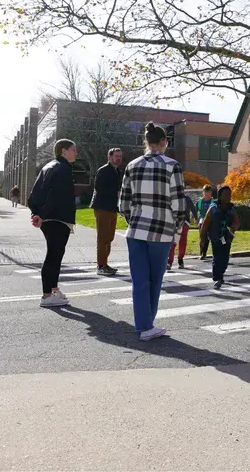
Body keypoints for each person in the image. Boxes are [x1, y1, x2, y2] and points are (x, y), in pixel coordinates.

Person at [120, 123, 188, 341]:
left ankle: (144, 325)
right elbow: (179, 204)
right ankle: (148, 324)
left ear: (146, 142)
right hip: (161, 231)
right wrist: (177, 230)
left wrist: (134, 220)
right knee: (155, 279)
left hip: (135, 231)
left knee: (139, 280)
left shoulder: (132, 165)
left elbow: (124, 203)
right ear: (164, 142)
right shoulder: (172, 166)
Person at [28, 139, 78, 308]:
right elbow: (56, 196)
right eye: (73, 150)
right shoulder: (63, 168)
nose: (76, 153)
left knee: (56, 255)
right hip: (57, 217)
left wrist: (36, 212)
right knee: (54, 256)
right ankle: (47, 295)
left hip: (50, 217)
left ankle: (54, 290)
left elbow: (36, 193)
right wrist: (41, 214)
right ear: (64, 151)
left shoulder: (49, 166)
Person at [200, 185, 240, 289]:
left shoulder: (231, 209)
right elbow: (205, 225)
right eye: (226, 195)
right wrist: (202, 239)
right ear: (220, 196)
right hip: (215, 237)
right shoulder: (213, 208)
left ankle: (221, 273)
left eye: (230, 195)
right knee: (217, 258)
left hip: (227, 237)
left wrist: (233, 228)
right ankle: (217, 278)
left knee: (225, 258)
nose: (229, 197)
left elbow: (236, 222)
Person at [90, 147, 123, 276]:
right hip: (102, 207)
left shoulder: (117, 171)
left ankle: (105, 264)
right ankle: (101, 266)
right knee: (103, 237)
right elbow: (99, 188)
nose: (118, 158)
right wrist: (116, 193)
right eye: (116, 156)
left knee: (109, 237)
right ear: (109, 157)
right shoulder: (103, 170)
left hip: (112, 207)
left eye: (120, 156)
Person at [167, 198, 199, 270]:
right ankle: (171, 261)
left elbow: (193, 209)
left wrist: (196, 218)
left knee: (181, 242)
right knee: (174, 242)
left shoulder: (186, 199)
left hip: (184, 222)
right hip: (175, 222)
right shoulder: (172, 197)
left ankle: (178, 260)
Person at [197, 184, 215, 260]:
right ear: (203, 192)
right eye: (205, 192)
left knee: (210, 238)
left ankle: (210, 253)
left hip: (211, 222)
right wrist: (195, 219)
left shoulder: (213, 201)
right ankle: (202, 253)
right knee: (202, 237)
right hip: (202, 221)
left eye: (208, 193)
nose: (207, 194)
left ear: (211, 193)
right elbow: (196, 210)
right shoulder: (200, 201)